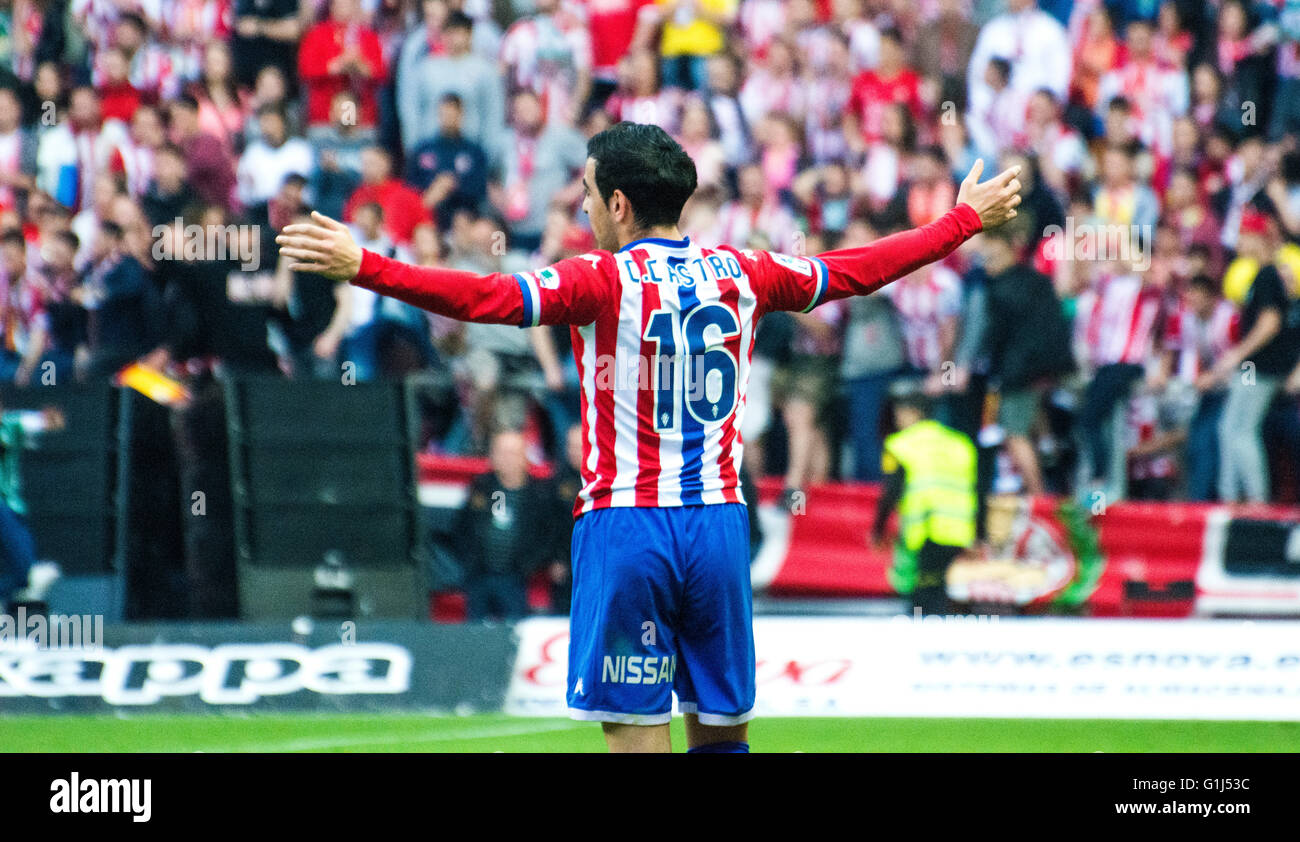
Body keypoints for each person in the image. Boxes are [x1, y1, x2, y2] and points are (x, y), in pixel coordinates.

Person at [276, 121, 1022, 753]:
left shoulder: (598, 280)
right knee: (724, 738)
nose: (584, 206)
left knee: (635, 731)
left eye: (590, 194)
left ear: (621, 204)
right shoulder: (744, 271)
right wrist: (961, 222)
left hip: (629, 528)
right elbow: (859, 270)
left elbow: (486, 297)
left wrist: (366, 266)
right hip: (723, 528)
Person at [871, 387, 977, 616]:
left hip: (926, 526)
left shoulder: (900, 444)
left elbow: (892, 489)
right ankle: (937, 630)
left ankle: (923, 635)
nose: (897, 419)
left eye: (900, 413)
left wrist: (878, 529)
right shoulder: (959, 443)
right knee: (940, 585)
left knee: (920, 587)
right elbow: (977, 488)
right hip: (959, 528)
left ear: (914, 413)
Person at [450, 429, 558, 621]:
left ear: (524, 457)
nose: (506, 459)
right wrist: (469, 559)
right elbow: (462, 526)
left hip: (514, 577)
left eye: (512, 453)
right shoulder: (483, 487)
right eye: (501, 453)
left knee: (513, 629)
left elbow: (548, 534)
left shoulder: (539, 494)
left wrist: (528, 564)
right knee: (475, 633)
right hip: (479, 574)